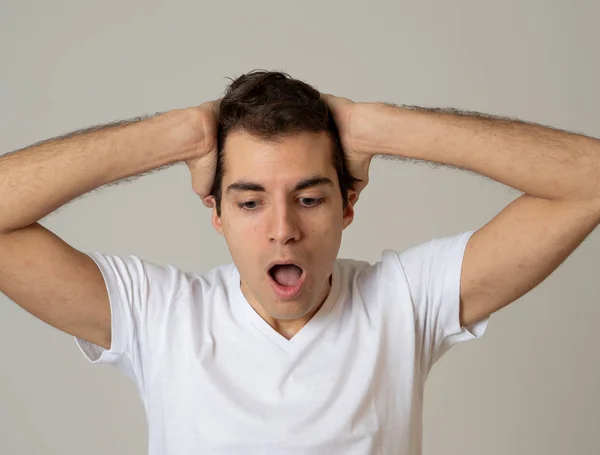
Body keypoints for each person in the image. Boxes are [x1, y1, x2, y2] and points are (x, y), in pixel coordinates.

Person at [0, 70, 598, 455]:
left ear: (348, 206)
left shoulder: (405, 300)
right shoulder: (158, 314)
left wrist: (377, 128)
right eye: (250, 201)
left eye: (309, 199)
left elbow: (589, 181)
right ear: (216, 212)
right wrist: (178, 136)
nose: (282, 230)